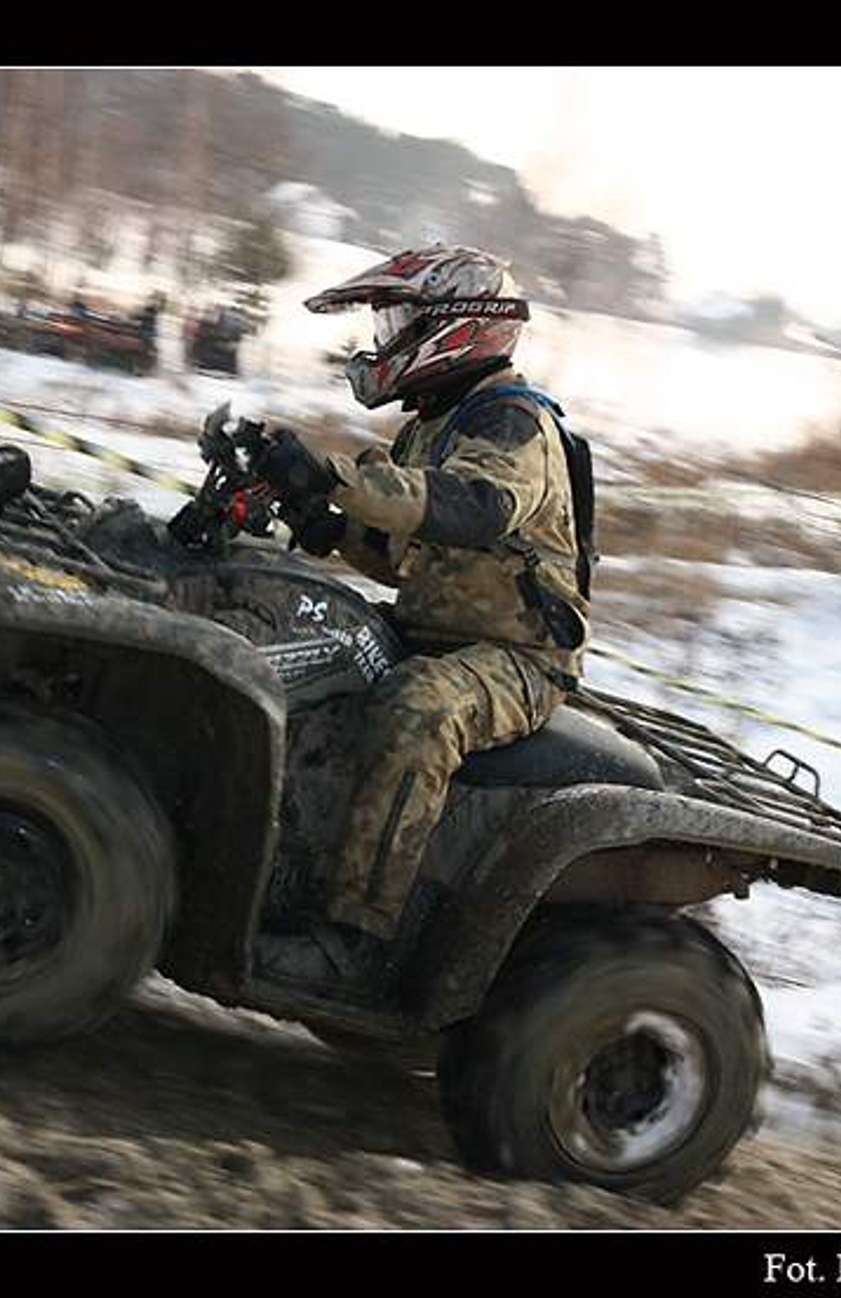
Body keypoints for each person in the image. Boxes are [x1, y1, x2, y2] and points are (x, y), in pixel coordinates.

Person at [251, 246, 594, 990]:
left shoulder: (513, 422)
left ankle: (353, 942)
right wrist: (318, 519)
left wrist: (335, 477)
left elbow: (475, 508)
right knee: (297, 643)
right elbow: (402, 551)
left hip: (518, 658)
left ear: (459, 328)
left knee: (419, 709)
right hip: (433, 631)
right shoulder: (433, 425)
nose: (385, 340)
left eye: (398, 324)